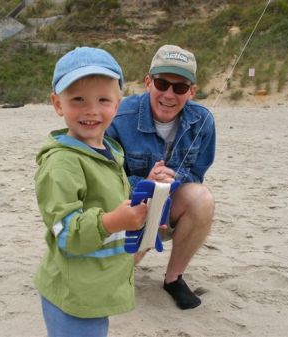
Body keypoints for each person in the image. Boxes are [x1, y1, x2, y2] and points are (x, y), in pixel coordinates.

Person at [34, 47, 148, 337]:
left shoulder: (109, 150)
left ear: (117, 104)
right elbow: (67, 232)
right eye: (77, 100)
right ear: (57, 104)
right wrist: (114, 221)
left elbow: (111, 202)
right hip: (73, 293)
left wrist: (144, 215)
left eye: (103, 99)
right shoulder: (61, 162)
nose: (91, 110)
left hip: (96, 285)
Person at [106, 44, 216, 310]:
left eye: (180, 87)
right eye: (162, 83)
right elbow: (106, 179)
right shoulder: (120, 116)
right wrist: (147, 184)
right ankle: (117, 269)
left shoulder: (203, 121)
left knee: (203, 198)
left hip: (170, 210)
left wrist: (172, 180)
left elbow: (197, 174)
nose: (169, 94)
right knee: (108, 280)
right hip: (124, 207)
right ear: (148, 82)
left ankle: (173, 278)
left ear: (192, 91)